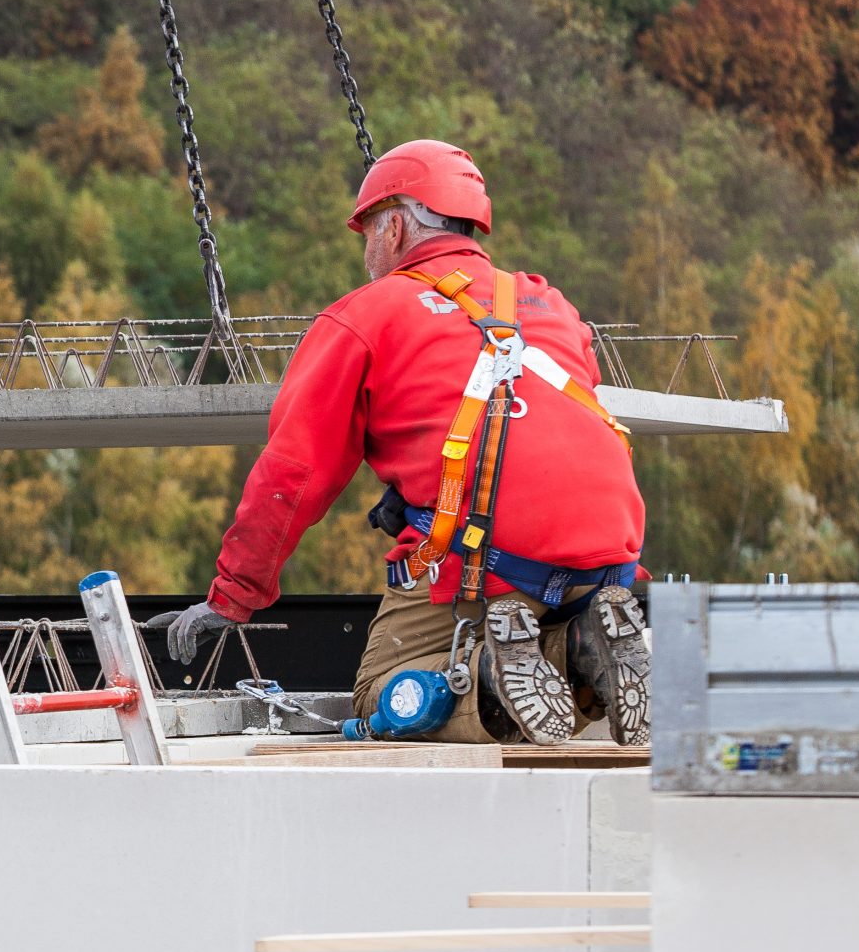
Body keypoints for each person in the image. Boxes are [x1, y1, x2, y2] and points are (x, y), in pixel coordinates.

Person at [149, 140, 651, 745]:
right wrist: (420, 486)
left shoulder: (367, 315)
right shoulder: (548, 303)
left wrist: (232, 596)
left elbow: (292, 474)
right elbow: (540, 427)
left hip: (491, 560)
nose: (366, 250)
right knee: (555, 679)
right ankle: (581, 643)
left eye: (366, 233)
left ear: (393, 226)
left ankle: (491, 678)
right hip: (611, 559)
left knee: (383, 693)